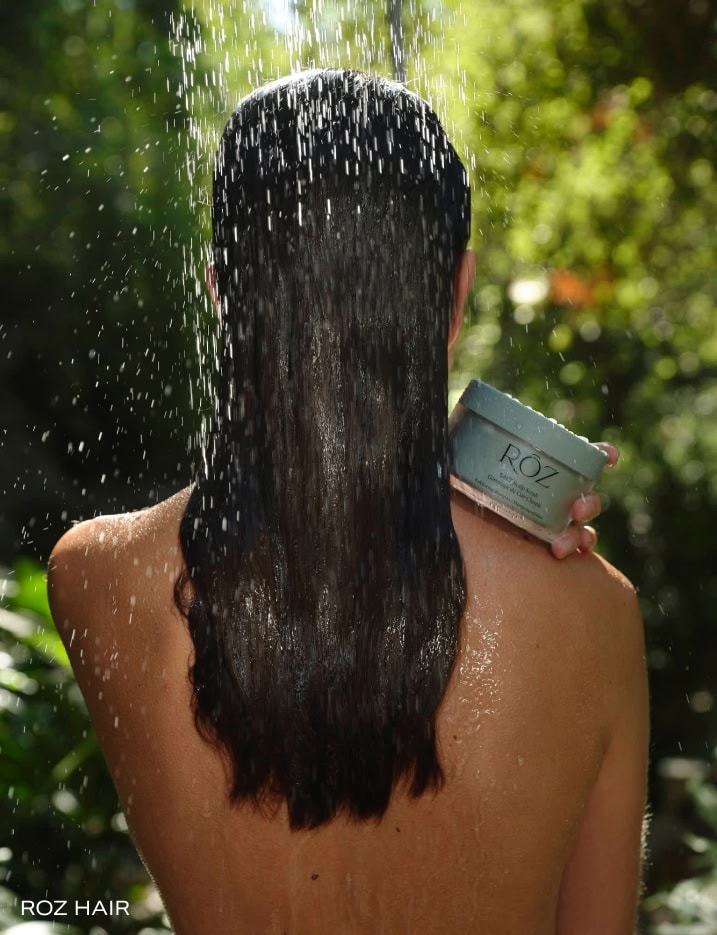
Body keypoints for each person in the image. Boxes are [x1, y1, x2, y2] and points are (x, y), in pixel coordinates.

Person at [47, 70, 648, 934]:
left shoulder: (95, 576)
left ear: (222, 291)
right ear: (455, 293)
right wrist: (492, 485)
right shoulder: (592, 613)